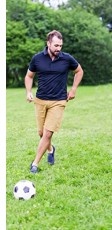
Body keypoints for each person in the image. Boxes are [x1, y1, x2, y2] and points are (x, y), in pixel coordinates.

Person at [25, 30, 84, 173]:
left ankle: (35, 164)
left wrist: (74, 89)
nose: (58, 49)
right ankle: (51, 149)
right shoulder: (37, 58)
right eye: (56, 45)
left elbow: (79, 71)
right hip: (40, 100)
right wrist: (28, 92)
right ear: (48, 43)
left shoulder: (67, 58)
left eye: (60, 46)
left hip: (59, 101)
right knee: (41, 133)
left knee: (48, 133)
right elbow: (29, 76)